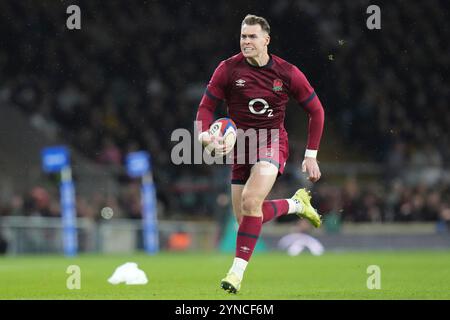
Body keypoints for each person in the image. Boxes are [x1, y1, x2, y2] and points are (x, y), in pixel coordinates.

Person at [195, 14, 325, 293]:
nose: (246, 41)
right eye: (243, 36)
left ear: (266, 40)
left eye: (252, 36)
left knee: (252, 201)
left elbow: (316, 110)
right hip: (240, 148)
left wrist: (311, 154)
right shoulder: (227, 69)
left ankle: (235, 273)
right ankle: (296, 205)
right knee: (245, 218)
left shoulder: (287, 72)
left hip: (271, 142)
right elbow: (206, 108)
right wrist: (204, 135)